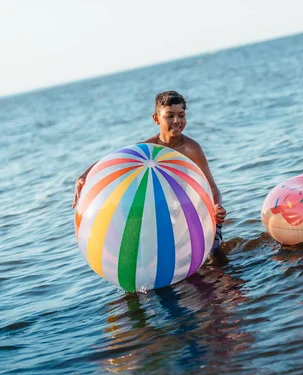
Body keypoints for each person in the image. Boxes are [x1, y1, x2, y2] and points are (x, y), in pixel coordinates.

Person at [72, 90, 227, 254]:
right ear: (156, 119)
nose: (177, 121)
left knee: (214, 255)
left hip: (195, 211)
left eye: (181, 115)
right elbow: (114, 158)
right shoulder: (147, 150)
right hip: (166, 214)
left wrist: (217, 205)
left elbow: (212, 187)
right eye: (169, 115)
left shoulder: (192, 149)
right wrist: (84, 175)